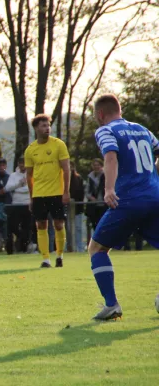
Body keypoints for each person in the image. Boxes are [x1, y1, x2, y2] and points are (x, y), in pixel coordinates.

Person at [87, 94, 159, 320]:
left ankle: (112, 305)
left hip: (128, 199)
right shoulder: (142, 130)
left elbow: (110, 157)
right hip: (154, 196)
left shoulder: (105, 130)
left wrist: (109, 189)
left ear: (100, 114)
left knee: (97, 248)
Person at [25, 114, 70, 268]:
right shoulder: (30, 150)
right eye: (43, 125)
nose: (47, 128)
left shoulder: (59, 145)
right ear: (36, 128)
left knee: (58, 224)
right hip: (39, 194)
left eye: (48, 125)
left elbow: (66, 169)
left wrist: (66, 191)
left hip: (57, 192)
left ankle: (59, 255)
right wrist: (31, 197)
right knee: (41, 225)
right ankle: (45, 259)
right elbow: (29, 175)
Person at [5, 157, 32, 253]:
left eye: (24, 163)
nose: (22, 165)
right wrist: (18, 185)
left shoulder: (30, 174)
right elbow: (8, 188)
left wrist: (21, 189)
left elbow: (31, 188)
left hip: (27, 203)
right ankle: (18, 244)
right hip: (16, 204)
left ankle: (24, 248)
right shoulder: (13, 176)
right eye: (21, 163)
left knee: (27, 227)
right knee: (14, 227)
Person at [85, 159, 107, 232]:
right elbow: (87, 190)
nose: (96, 167)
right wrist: (91, 198)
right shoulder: (90, 177)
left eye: (98, 165)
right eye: (94, 165)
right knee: (95, 225)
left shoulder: (106, 175)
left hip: (104, 204)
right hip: (93, 205)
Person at [69, 161, 86, 252]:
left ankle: (80, 248)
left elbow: (81, 193)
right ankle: (68, 247)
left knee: (79, 228)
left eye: (71, 166)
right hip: (66, 208)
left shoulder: (78, 178)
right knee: (68, 229)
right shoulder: (62, 179)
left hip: (77, 207)